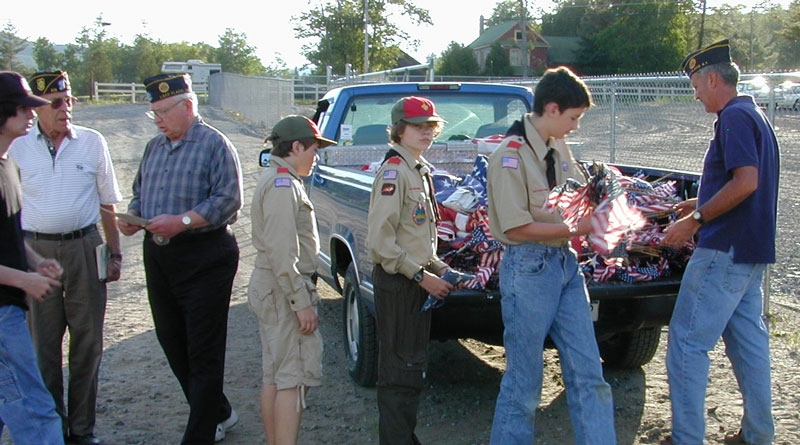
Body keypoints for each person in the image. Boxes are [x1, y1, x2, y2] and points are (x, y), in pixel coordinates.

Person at [486, 66, 616, 445]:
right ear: (553, 108)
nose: (575, 127)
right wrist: (578, 229)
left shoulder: (557, 145)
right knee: (524, 383)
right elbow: (515, 229)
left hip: (563, 265)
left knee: (589, 372)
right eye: (573, 118)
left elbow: (572, 199)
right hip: (528, 269)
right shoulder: (509, 156)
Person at [660, 39, 778, 445]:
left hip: (723, 250)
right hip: (750, 252)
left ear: (713, 78)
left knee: (688, 344)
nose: (695, 95)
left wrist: (696, 219)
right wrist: (700, 198)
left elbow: (747, 181)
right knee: (749, 346)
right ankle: (759, 434)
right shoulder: (754, 114)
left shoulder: (733, 118)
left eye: (695, 85)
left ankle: (686, 438)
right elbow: (741, 182)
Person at [118, 73, 242, 444]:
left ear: (187, 106)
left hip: (205, 257)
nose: (156, 119)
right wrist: (133, 216)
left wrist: (183, 221)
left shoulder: (215, 144)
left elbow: (228, 200)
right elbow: (141, 192)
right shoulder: (155, 148)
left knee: (203, 349)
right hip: (159, 255)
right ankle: (218, 411)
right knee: (171, 340)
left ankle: (200, 434)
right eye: (152, 112)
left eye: (162, 111)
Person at [8, 70, 122, 445]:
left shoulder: (92, 142)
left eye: (69, 100)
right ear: (38, 109)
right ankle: (52, 426)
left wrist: (115, 253)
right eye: (56, 103)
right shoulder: (18, 147)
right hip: (36, 251)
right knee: (43, 343)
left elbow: (107, 202)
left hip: (84, 249)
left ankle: (82, 429)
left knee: (88, 342)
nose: (65, 109)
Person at [367, 96, 459, 445]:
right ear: (399, 130)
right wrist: (423, 277)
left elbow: (417, 236)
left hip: (416, 279)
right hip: (401, 283)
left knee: (411, 367)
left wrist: (439, 267)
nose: (427, 132)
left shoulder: (416, 169)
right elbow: (381, 242)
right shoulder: (395, 172)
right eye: (418, 126)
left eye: (431, 126)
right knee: (399, 371)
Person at [248, 115, 335, 445]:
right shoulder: (283, 185)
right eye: (313, 149)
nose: (316, 156)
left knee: (275, 375)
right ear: (296, 147)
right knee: (291, 380)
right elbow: (283, 252)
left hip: (271, 284)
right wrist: (301, 302)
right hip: (283, 287)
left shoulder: (277, 179)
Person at [0, 70, 64, 444]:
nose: (31, 115)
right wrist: (24, 280)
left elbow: (6, 237)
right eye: (24, 108)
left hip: (9, 307)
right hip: (3, 313)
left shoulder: (9, 165)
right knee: (35, 412)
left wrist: (34, 261)